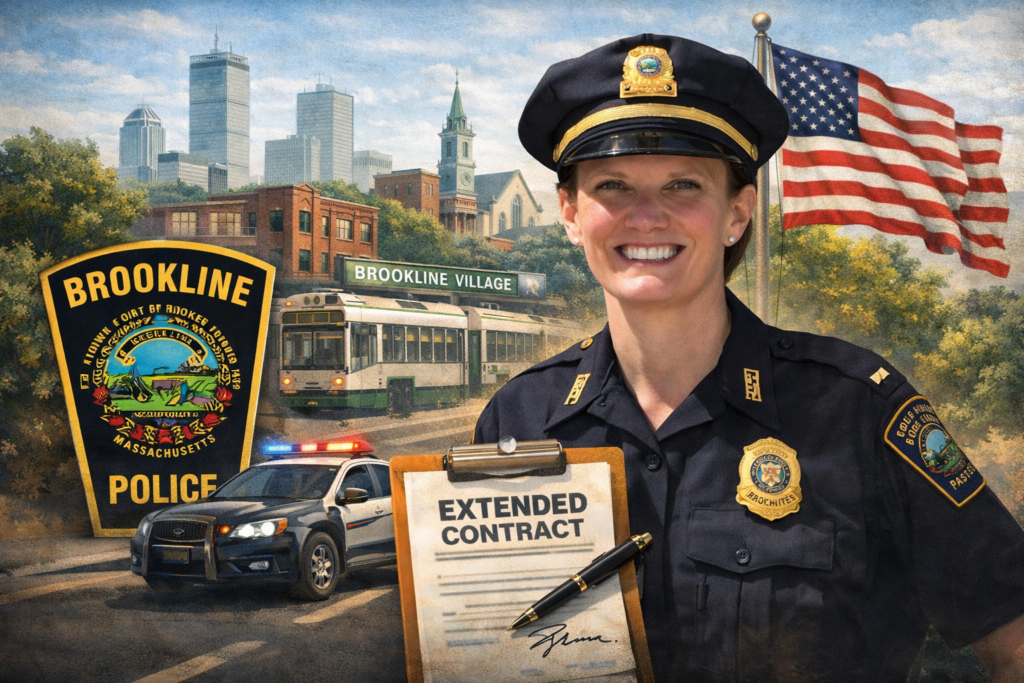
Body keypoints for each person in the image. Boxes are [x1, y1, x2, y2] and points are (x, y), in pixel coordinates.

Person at [473, 33, 1024, 682]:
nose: (646, 216)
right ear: (569, 212)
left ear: (737, 211)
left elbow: (1013, 637)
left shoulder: (860, 409)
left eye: (683, 184)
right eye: (613, 185)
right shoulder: (519, 417)